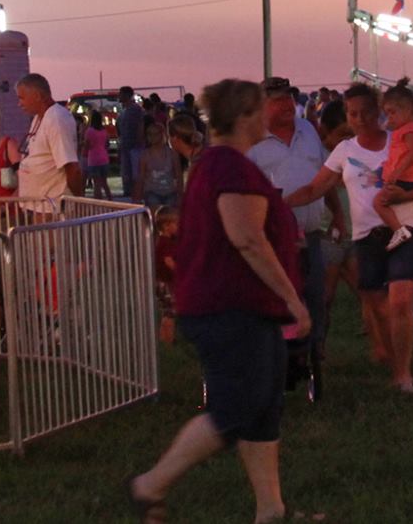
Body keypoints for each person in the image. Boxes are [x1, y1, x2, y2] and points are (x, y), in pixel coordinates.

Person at [125, 79, 306, 523]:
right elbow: (246, 238)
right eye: (262, 109)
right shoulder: (230, 168)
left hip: (243, 306)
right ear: (245, 116)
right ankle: (150, 485)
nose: (269, 116)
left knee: (263, 409)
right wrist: (293, 298)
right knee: (234, 410)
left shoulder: (221, 162)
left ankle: (271, 509)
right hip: (230, 306)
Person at [285, 84, 413, 394]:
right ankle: (393, 356)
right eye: (352, 113)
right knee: (377, 304)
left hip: (404, 227)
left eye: (366, 112)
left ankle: (403, 374)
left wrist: (408, 195)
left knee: (401, 300)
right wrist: (279, 202)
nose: (359, 119)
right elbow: (316, 188)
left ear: (379, 111)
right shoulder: (345, 151)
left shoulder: (399, 141)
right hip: (366, 234)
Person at [250, 76, 333, 394]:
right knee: (277, 300)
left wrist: (336, 214)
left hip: (309, 234)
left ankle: (309, 355)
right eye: (278, 101)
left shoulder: (308, 131)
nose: (287, 105)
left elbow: (324, 176)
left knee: (314, 296)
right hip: (270, 240)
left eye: (288, 99)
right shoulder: (254, 142)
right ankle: (276, 360)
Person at [371, 87, 413, 248]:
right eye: (387, 113)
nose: (389, 117)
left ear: (408, 110)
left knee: (378, 202)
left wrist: (395, 173)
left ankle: (399, 230)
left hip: (406, 177)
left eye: (392, 113)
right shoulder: (408, 127)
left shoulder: (409, 129)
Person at [15, 73, 82, 201]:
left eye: (21, 98)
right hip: (38, 205)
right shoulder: (38, 117)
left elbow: (72, 168)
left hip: (52, 207)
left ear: (37, 96)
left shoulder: (56, 119)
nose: (19, 104)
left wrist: (80, 201)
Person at [138, 119, 182, 209]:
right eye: (149, 134)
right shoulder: (145, 156)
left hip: (170, 192)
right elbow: (141, 177)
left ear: (162, 134)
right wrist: (137, 196)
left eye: (155, 134)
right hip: (152, 192)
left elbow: (178, 175)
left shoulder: (172, 154)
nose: (152, 137)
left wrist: (180, 194)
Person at [117, 86, 146, 199]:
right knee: (126, 170)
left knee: (135, 171)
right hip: (125, 145)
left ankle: (136, 191)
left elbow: (140, 125)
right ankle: (128, 190)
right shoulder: (124, 111)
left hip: (134, 146)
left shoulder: (135, 110)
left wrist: (139, 140)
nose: (119, 96)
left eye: (121, 94)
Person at [81, 110, 113, 198]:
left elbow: (87, 146)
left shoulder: (89, 131)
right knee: (104, 182)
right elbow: (107, 144)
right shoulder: (104, 131)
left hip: (94, 159)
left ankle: (98, 201)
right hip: (104, 158)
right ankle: (110, 199)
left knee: (97, 184)